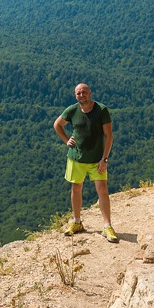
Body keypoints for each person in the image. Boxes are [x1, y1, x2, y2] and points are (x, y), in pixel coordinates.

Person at [53, 83, 117, 243]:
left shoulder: (101, 110)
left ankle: (107, 226)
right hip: (76, 157)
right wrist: (67, 140)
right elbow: (57, 125)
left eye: (84, 92)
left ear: (90, 93)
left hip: (97, 160)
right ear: (75, 95)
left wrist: (105, 159)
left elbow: (109, 136)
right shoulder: (72, 110)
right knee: (76, 188)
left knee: (102, 189)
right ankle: (77, 222)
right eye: (78, 93)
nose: (82, 95)